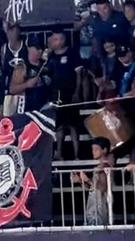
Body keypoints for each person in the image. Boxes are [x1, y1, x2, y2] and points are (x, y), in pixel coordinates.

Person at [48, 29, 83, 159]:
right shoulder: (51, 56)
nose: (58, 42)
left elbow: (79, 74)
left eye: (60, 39)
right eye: (55, 39)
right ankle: (59, 152)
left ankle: (77, 155)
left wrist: (77, 92)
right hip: (56, 94)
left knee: (73, 125)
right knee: (59, 126)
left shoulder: (72, 53)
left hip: (71, 92)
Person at [8, 37, 52, 114]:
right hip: (26, 110)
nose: (40, 51)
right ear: (29, 48)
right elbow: (12, 89)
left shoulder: (45, 65)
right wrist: (27, 84)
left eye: (41, 48)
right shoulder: (22, 67)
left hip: (43, 109)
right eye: (37, 48)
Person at [77, 137, 114, 226]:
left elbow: (103, 187)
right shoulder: (99, 166)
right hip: (94, 202)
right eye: (92, 149)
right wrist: (80, 180)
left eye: (96, 149)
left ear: (104, 150)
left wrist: (88, 180)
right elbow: (93, 187)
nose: (93, 151)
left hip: (100, 204)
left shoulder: (105, 167)